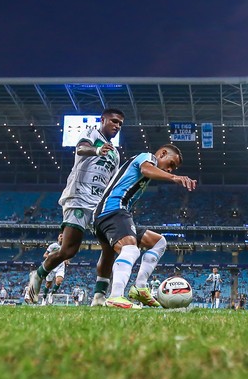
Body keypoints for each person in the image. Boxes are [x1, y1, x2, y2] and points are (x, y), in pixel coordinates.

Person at [26, 108, 125, 307]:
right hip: (78, 198)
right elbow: (80, 149)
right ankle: (37, 276)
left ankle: (99, 296)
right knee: (69, 251)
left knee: (109, 247)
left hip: (99, 205)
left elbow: (111, 181)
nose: (117, 126)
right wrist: (97, 150)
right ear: (103, 120)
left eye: (120, 124)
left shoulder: (115, 154)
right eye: (114, 121)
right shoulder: (91, 134)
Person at [92, 144, 196, 308]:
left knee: (158, 242)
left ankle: (139, 288)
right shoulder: (147, 157)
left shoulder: (146, 168)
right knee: (130, 249)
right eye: (170, 164)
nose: (170, 170)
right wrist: (174, 177)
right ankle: (115, 296)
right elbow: (147, 170)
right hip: (111, 210)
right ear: (162, 153)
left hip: (115, 212)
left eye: (173, 168)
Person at [40, 234, 66, 305]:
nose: (62, 238)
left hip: (60, 266)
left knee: (59, 281)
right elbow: (45, 255)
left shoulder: (66, 247)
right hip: (51, 265)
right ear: (58, 238)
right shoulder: (53, 246)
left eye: (63, 236)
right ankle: (44, 298)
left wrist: (66, 260)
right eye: (60, 236)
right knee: (48, 284)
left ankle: (51, 294)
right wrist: (53, 257)